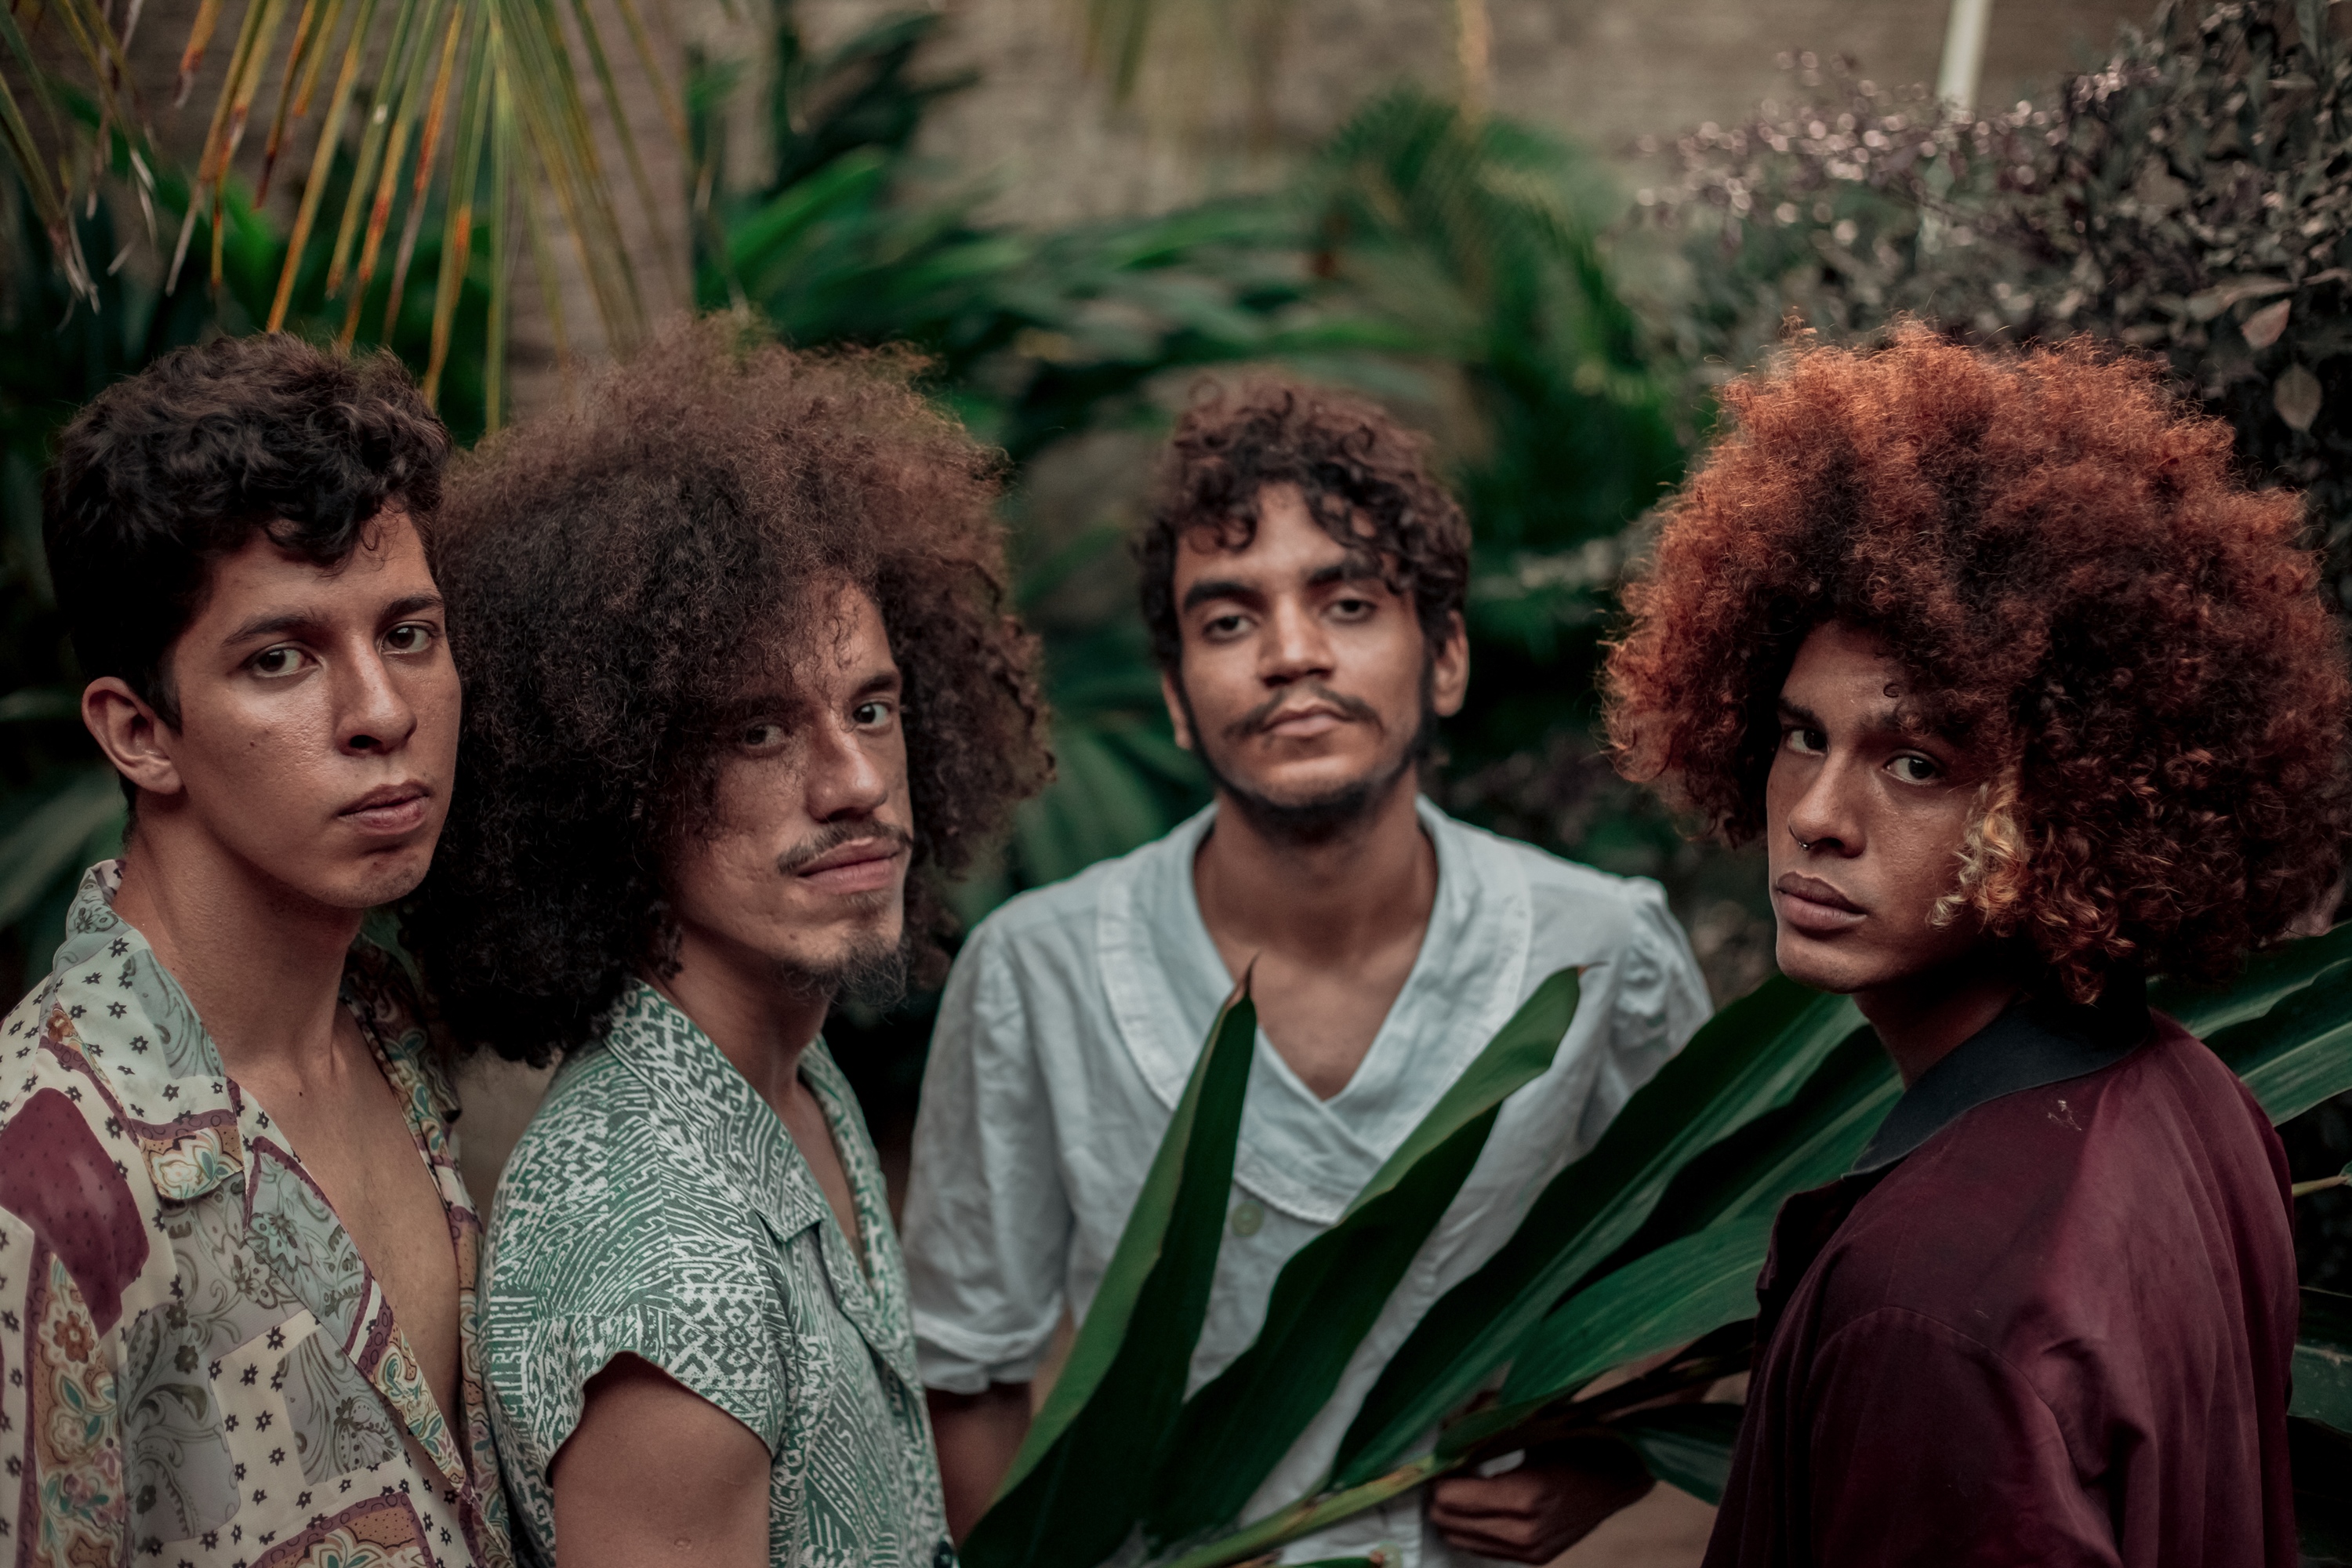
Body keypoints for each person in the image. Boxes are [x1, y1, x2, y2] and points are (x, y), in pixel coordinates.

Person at [904, 379, 1712, 1565]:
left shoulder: (1599, 953)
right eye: (1229, 622)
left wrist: (1607, 1458)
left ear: (1445, 659)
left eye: (1347, 603)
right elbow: (965, 1371)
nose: (1291, 655)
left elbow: (1711, 1260)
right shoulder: (1040, 973)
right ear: (1178, 699)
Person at [1604, 325, 2350, 1567]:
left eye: (1916, 763)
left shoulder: (1928, 1310)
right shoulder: (2196, 1099)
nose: (1817, 816)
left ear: (2074, 797)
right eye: (1801, 735)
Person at [409, 325, 1049, 1568]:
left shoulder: (791, 1076)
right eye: (759, 732)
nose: (856, 781)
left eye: (871, 706)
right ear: (613, 784)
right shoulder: (672, 1272)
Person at [4, 336, 512, 1566]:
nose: (382, 712)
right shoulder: (49, 1179)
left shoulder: (389, 1029)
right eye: (279, 658)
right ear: (139, 732)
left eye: (409, 633)